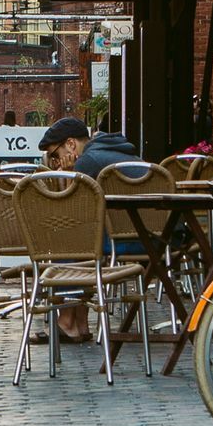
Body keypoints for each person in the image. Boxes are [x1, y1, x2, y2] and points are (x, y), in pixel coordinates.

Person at [37, 117, 143, 342]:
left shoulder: (88, 161)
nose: (55, 163)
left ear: (71, 144)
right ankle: (80, 323)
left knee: (69, 237)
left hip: (127, 241)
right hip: (154, 238)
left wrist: (68, 176)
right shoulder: (119, 151)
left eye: (54, 155)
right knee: (84, 239)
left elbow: (73, 213)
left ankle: (67, 321)